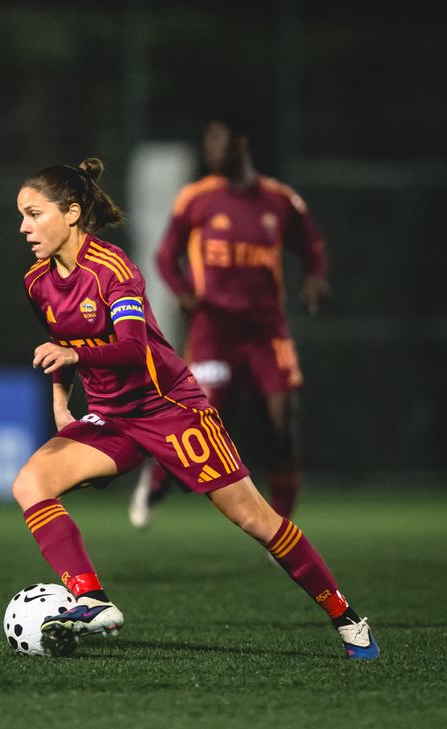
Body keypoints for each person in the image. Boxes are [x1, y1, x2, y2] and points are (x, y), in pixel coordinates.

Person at [13, 157, 377, 660]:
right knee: (31, 482)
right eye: (22, 216)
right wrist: (61, 406)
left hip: (170, 408)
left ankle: (346, 616)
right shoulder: (37, 281)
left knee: (255, 520)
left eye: (34, 214)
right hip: (113, 417)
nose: (24, 228)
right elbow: (61, 341)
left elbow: (132, 347)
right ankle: (92, 600)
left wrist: (74, 354)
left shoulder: (114, 269)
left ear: (71, 213)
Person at [128, 115, 330, 529]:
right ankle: (155, 481)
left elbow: (311, 243)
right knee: (200, 430)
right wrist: (183, 290)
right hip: (213, 333)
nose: (209, 149)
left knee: (282, 428)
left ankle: (283, 526)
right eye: (207, 140)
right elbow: (166, 256)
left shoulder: (278, 199)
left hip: (266, 333)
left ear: (241, 141)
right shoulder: (196, 198)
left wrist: (315, 277)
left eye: (217, 139)